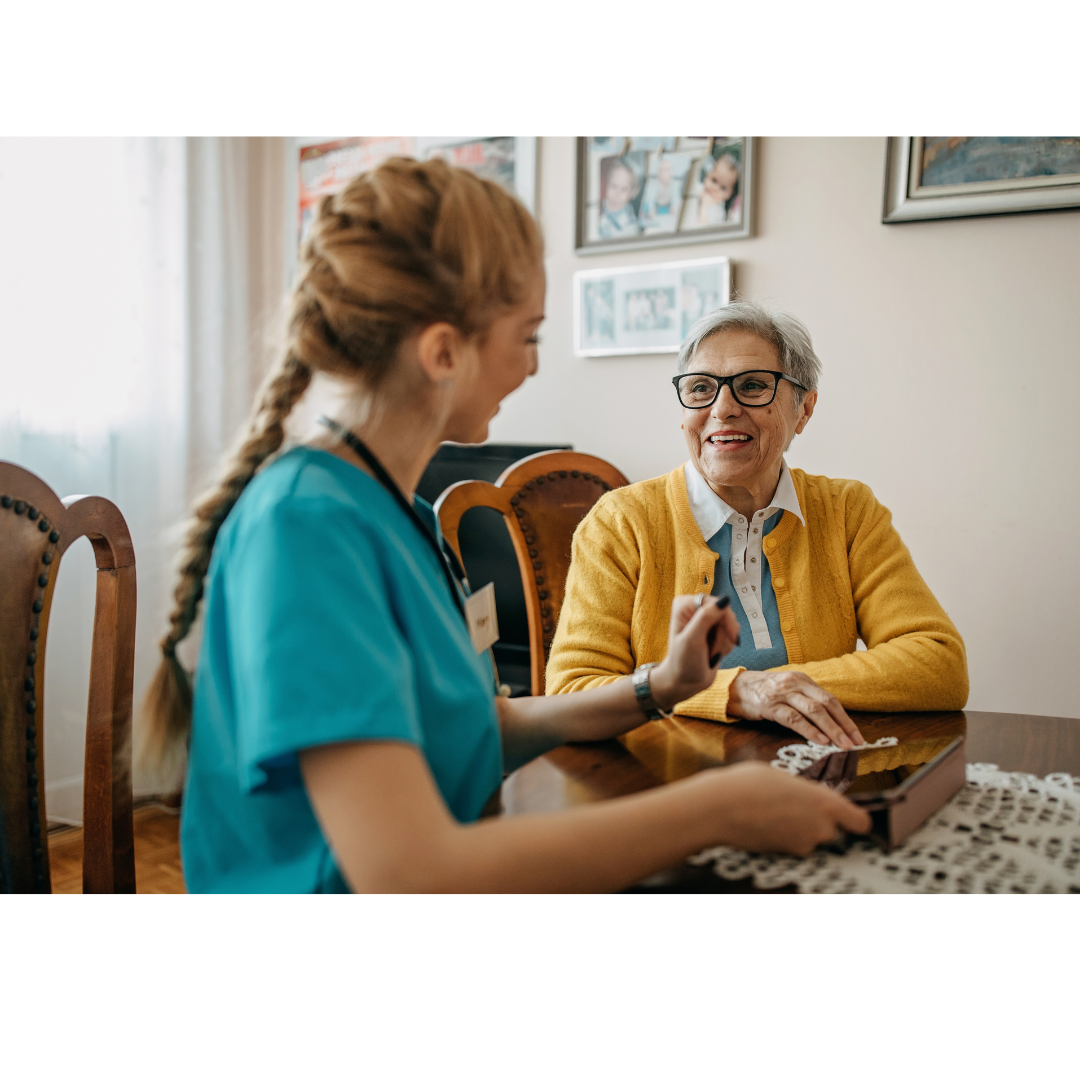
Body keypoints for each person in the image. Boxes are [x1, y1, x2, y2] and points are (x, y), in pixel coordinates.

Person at [141, 160, 869, 893]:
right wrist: (715, 808)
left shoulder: (401, 514)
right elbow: (408, 874)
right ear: (443, 352)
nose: (531, 366)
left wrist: (659, 686)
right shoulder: (305, 529)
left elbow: (480, 727)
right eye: (527, 336)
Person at [547, 301, 969, 749]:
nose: (722, 408)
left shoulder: (848, 510)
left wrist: (773, 689)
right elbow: (573, 690)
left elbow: (938, 664)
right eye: (700, 388)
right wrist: (736, 693)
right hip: (662, 780)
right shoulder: (619, 522)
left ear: (804, 409)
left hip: (814, 776)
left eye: (752, 386)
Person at [596, 157, 641, 239]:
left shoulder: (631, 225)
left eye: (624, 189)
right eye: (613, 186)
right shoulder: (598, 207)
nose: (617, 194)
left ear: (633, 193)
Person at [695, 151, 741, 226]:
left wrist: (704, 206)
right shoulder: (699, 188)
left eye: (723, 188)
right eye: (714, 180)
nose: (715, 188)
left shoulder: (720, 212)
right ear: (708, 174)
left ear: (730, 194)